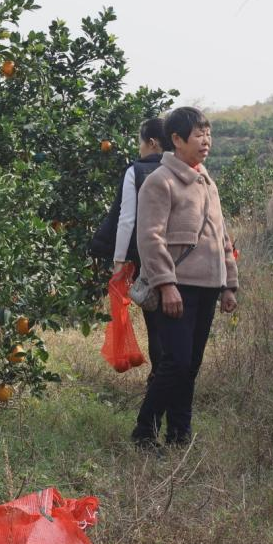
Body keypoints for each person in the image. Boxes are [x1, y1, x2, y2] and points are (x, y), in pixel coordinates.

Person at [131, 107, 239, 446]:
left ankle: (180, 433)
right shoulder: (159, 182)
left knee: (190, 364)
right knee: (174, 362)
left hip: (208, 285)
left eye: (208, 133)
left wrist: (229, 283)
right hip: (176, 289)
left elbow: (222, 236)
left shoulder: (207, 181)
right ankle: (144, 430)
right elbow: (150, 237)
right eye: (198, 134)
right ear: (176, 140)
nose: (206, 140)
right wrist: (166, 284)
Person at [108, 118, 172, 382]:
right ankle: (173, 378)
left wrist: (119, 260)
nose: (139, 149)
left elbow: (127, 219)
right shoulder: (187, 168)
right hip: (184, 257)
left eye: (140, 142)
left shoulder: (137, 170)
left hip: (151, 257)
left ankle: (159, 377)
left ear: (152, 142)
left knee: (155, 322)